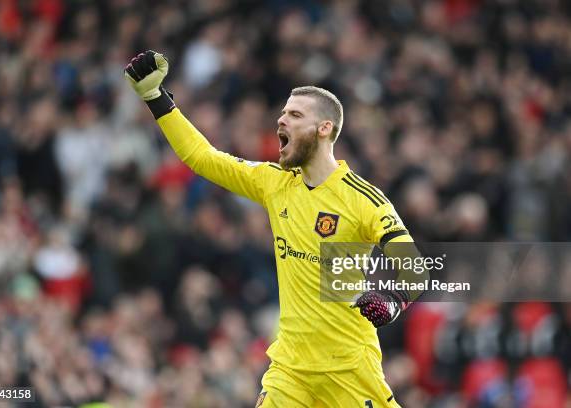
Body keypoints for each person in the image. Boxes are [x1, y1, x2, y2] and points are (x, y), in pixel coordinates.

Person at [125, 50, 422, 407]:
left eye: (295, 115)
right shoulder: (275, 183)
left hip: (348, 370)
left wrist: (392, 301)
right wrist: (156, 98)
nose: (281, 121)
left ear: (323, 128)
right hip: (290, 371)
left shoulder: (363, 199)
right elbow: (203, 158)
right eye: (282, 113)